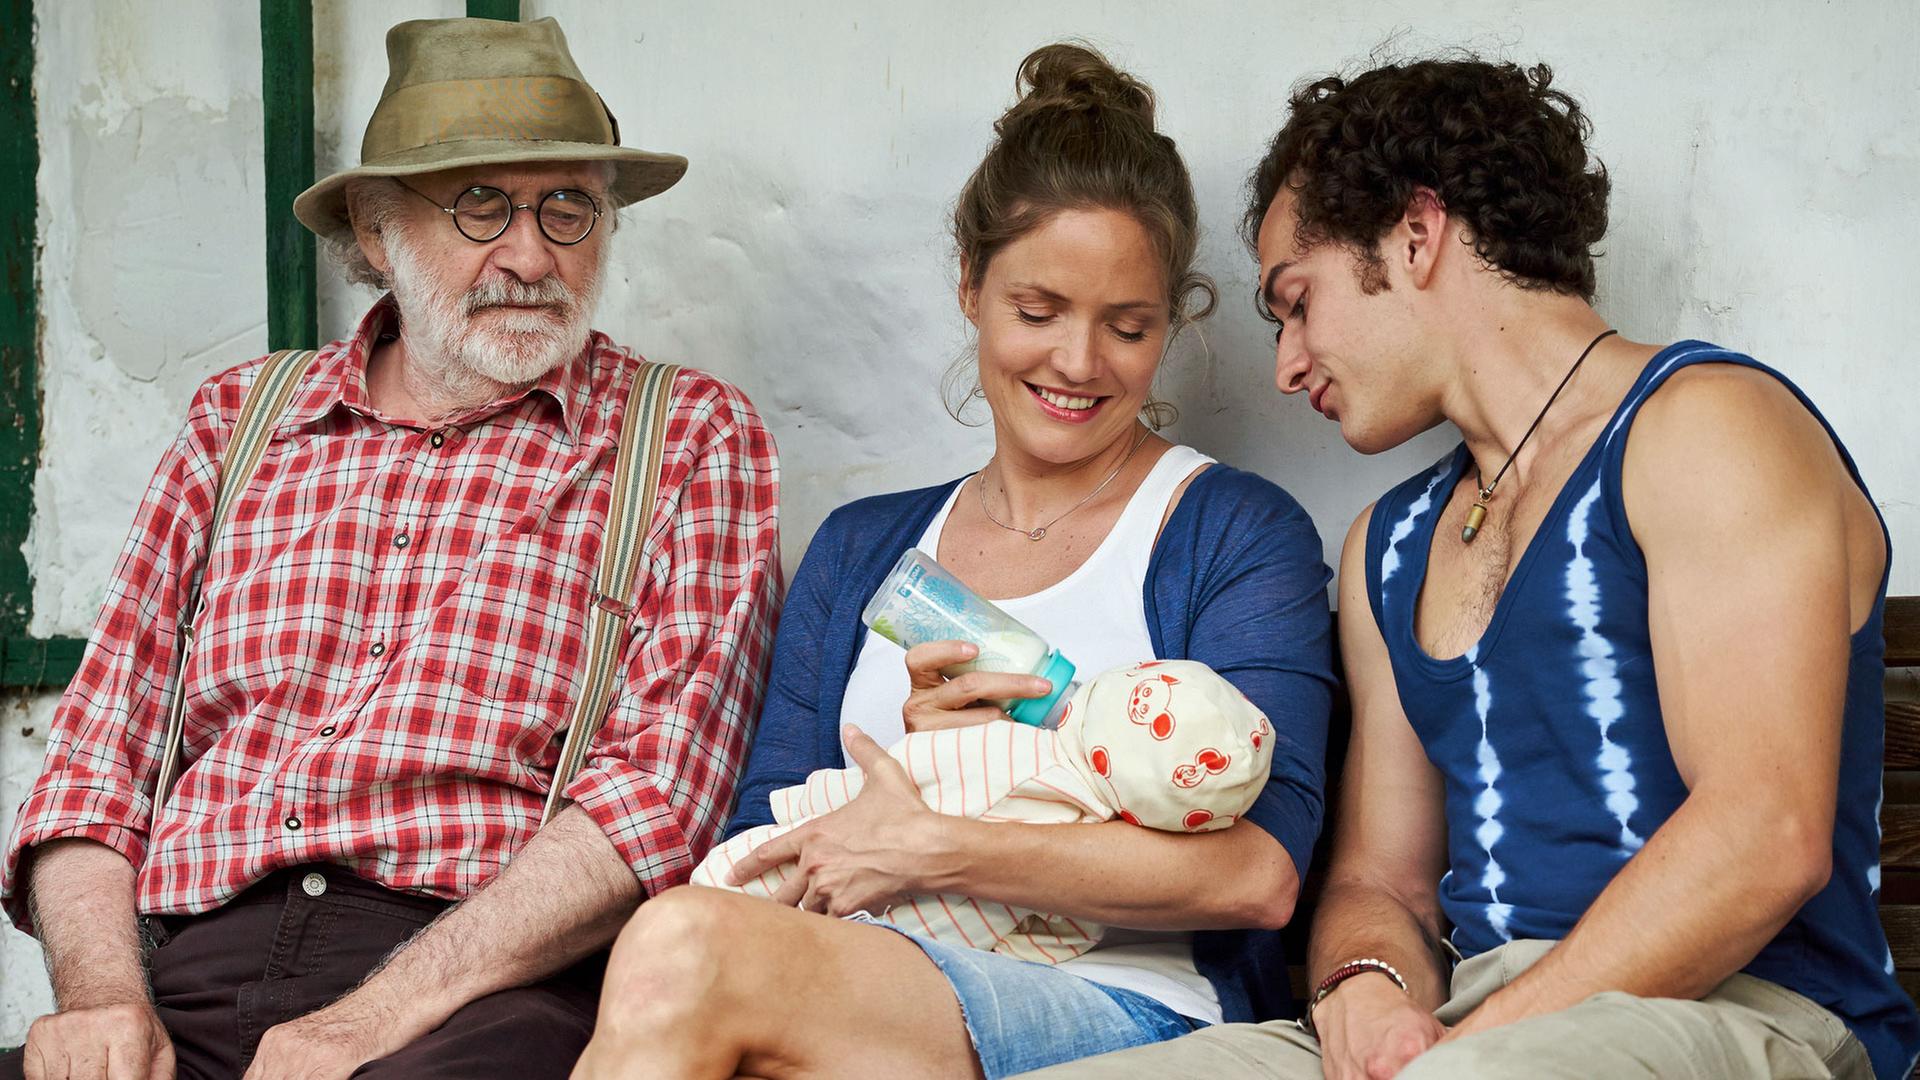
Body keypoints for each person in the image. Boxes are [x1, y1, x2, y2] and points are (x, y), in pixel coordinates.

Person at [1022, 56, 1920, 1080]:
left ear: (1416, 233)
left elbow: (1765, 836)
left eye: (1298, 301)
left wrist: (1472, 1047)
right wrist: (1365, 986)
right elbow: (1380, 882)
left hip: (1746, 1013)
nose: (1287, 365)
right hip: (1474, 1025)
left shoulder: (1706, 426)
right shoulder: (1389, 546)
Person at [1, 16, 780, 1080]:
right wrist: (102, 1005)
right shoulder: (240, 421)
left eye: (569, 207)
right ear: (376, 230)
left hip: (483, 988)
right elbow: (98, 764)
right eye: (481, 205)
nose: (531, 255)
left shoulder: (684, 436)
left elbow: (659, 800)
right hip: (188, 969)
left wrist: (369, 1019)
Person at [571, 42, 1336, 1080]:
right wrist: (937, 772)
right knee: (693, 960)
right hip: (867, 984)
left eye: (1127, 327)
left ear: (1171, 322)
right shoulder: (863, 551)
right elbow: (767, 843)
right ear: (971, 286)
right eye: (1038, 312)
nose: (1078, 362)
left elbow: (1257, 878)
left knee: (682, 950)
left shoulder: (1231, 533)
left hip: (1132, 1005)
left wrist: (941, 838)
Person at [692, 659, 1276, 963]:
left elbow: (880, 779)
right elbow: (1049, 948)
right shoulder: (1094, 853)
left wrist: (805, 808)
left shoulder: (997, 742)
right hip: (901, 961)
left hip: (758, 882)